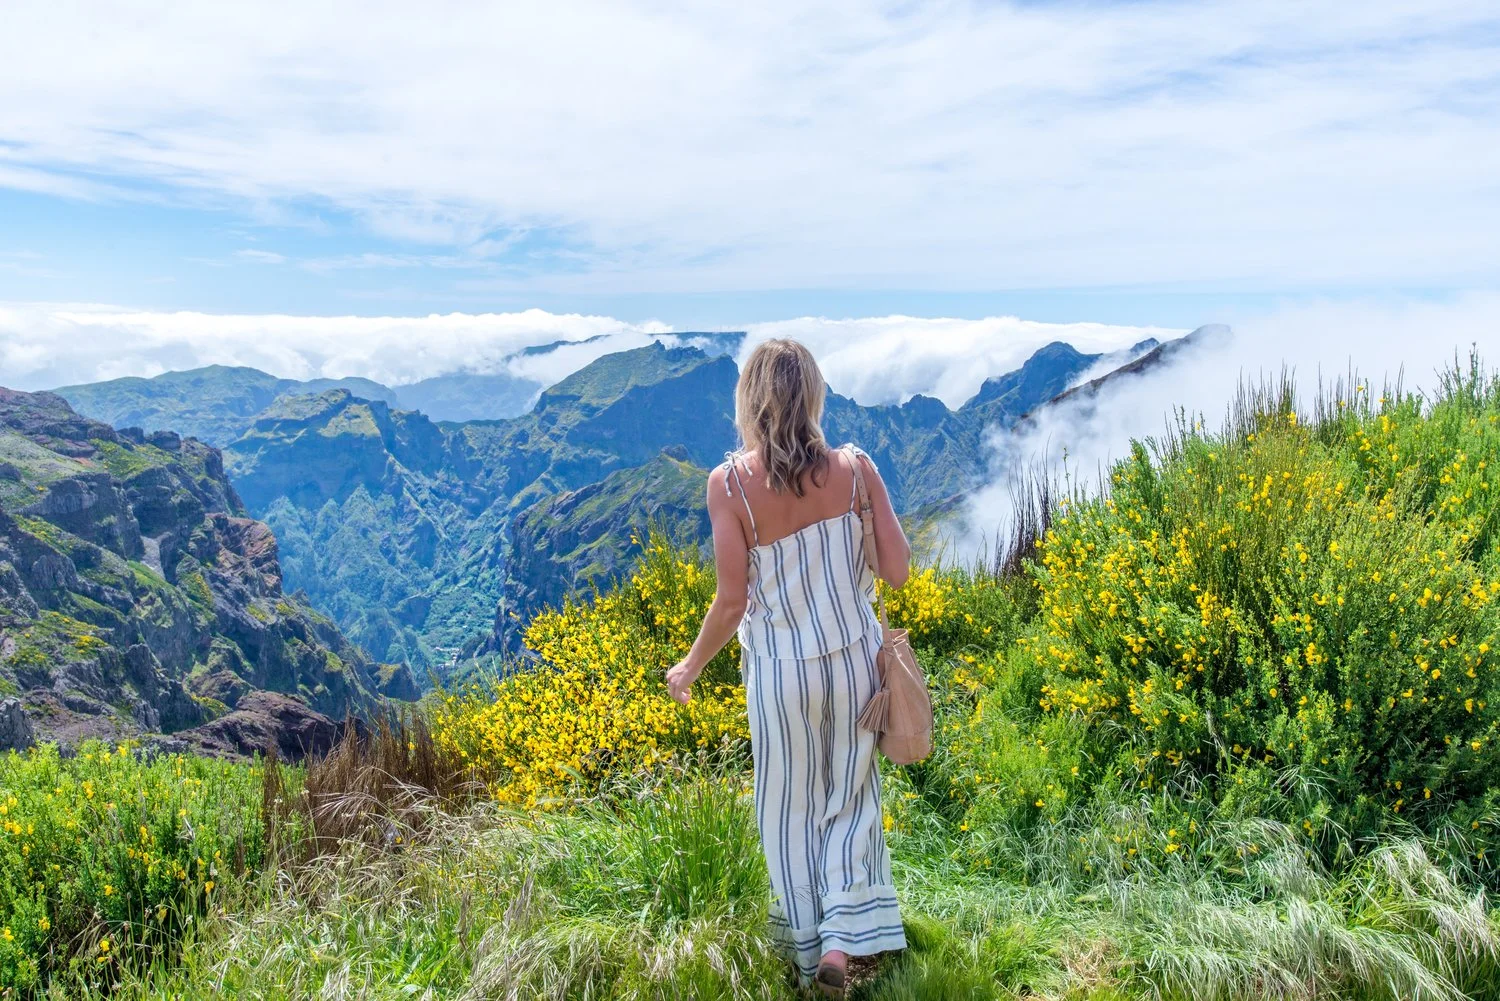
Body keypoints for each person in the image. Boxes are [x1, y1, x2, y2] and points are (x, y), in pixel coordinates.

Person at [666, 338, 911, 995]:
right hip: (854, 661)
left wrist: (689, 668)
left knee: (789, 811)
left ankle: (807, 960)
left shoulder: (731, 488)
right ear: (813, 395)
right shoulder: (858, 470)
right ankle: (842, 941)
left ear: (750, 400)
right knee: (850, 800)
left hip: (781, 674)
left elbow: (731, 600)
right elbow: (897, 569)